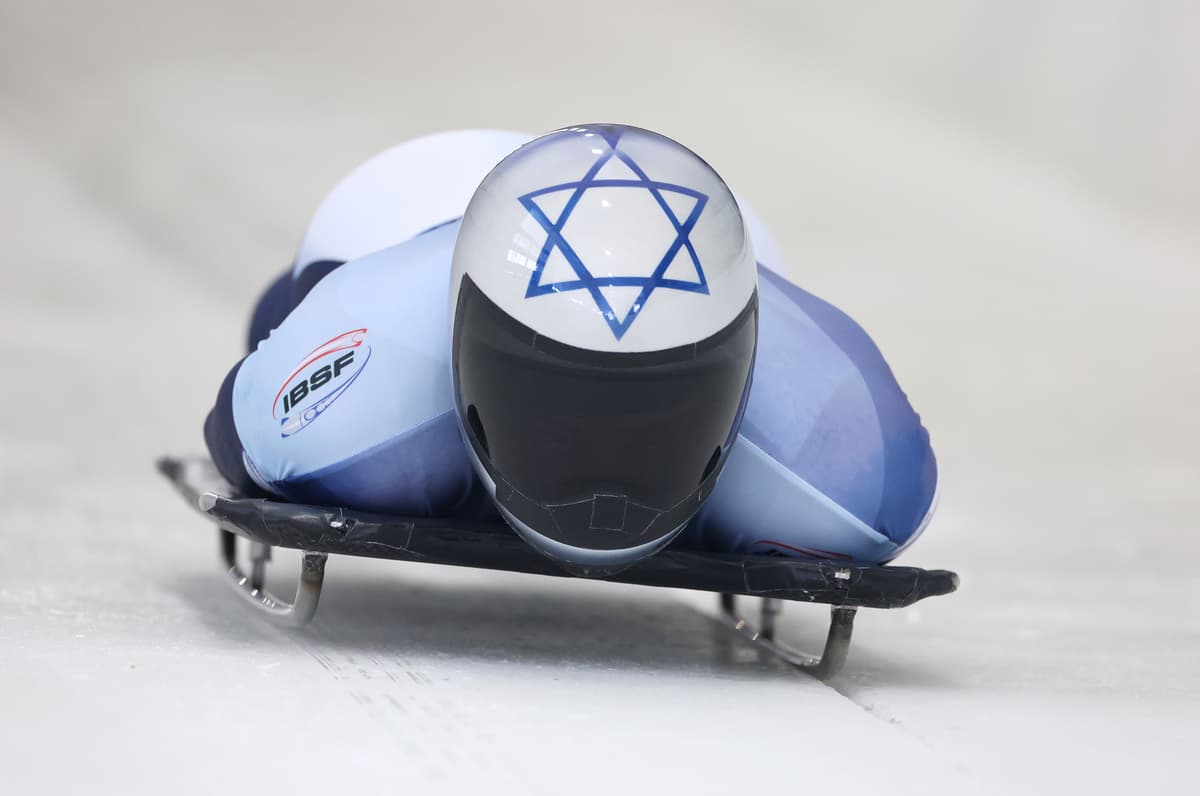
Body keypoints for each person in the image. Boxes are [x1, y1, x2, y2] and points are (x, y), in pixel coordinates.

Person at [204, 126, 937, 569]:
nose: (604, 483)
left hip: (720, 238)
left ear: (744, 370)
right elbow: (240, 424)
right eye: (562, 415)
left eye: (652, 415)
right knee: (275, 324)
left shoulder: (854, 471)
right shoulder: (353, 405)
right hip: (411, 203)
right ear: (463, 344)